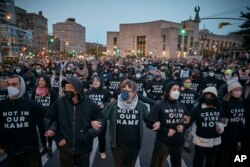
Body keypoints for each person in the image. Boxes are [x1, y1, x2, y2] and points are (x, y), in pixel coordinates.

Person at [44, 77, 105, 167]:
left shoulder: (89, 103)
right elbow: (48, 118)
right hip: (65, 148)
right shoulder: (60, 102)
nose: (66, 90)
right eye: (65, 88)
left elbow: (101, 120)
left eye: (70, 87)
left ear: (77, 89)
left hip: (84, 148)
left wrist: (89, 134)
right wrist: (57, 137)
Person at [103, 80, 158, 167]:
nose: (125, 93)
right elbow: (102, 117)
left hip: (134, 145)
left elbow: (148, 120)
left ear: (134, 92)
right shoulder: (114, 104)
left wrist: (155, 124)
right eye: (123, 91)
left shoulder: (141, 106)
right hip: (118, 144)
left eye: (128, 91)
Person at [0, 75, 45, 167]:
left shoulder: (31, 105)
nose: (10, 87)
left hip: (31, 150)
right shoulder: (2, 105)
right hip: (12, 151)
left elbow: (48, 116)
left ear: (22, 86)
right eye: (9, 84)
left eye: (14, 84)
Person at [146, 81, 190, 167]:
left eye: (178, 89)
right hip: (163, 142)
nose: (177, 91)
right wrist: (165, 130)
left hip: (178, 141)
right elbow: (149, 123)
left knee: (177, 164)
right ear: (168, 91)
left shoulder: (181, 104)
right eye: (174, 89)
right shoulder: (159, 105)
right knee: (156, 164)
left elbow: (187, 119)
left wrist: (184, 125)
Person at [190, 87, 228, 167]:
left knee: (211, 161)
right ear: (203, 96)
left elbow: (224, 119)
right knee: (198, 161)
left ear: (215, 97)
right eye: (206, 95)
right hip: (201, 141)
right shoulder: (197, 108)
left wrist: (221, 126)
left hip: (215, 141)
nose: (208, 97)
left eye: (211, 95)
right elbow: (189, 121)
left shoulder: (218, 108)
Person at [217, 80, 246, 167]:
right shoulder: (225, 102)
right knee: (223, 153)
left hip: (239, 133)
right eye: (236, 90)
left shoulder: (242, 102)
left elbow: (243, 118)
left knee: (236, 154)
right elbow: (221, 117)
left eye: (239, 90)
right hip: (227, 133)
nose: (239, 92)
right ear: (231, 91)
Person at [31, 74, 58, 158]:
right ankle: (44, 148)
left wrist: (51, 113)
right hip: (38, 116)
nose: (40, 82)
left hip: (48, 117)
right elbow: (32, 102)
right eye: (39, 80)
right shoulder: (35, 90)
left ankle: (49, 148)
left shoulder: (51, 91)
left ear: (46, 82)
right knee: (41, 133)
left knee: (49, 133)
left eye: (42, 80)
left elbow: (56, 104)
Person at [85, 77, 111, 159]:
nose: (95, 82)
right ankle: (88, 150)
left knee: (101, 136)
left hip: (101, 117)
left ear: (101, 82)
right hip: (90, 118)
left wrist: (105, 104)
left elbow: (110, 102)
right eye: (94, 81)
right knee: (89, 135)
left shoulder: (106, 92)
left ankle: (102, 151)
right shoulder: (88, 92)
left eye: (97, 81)